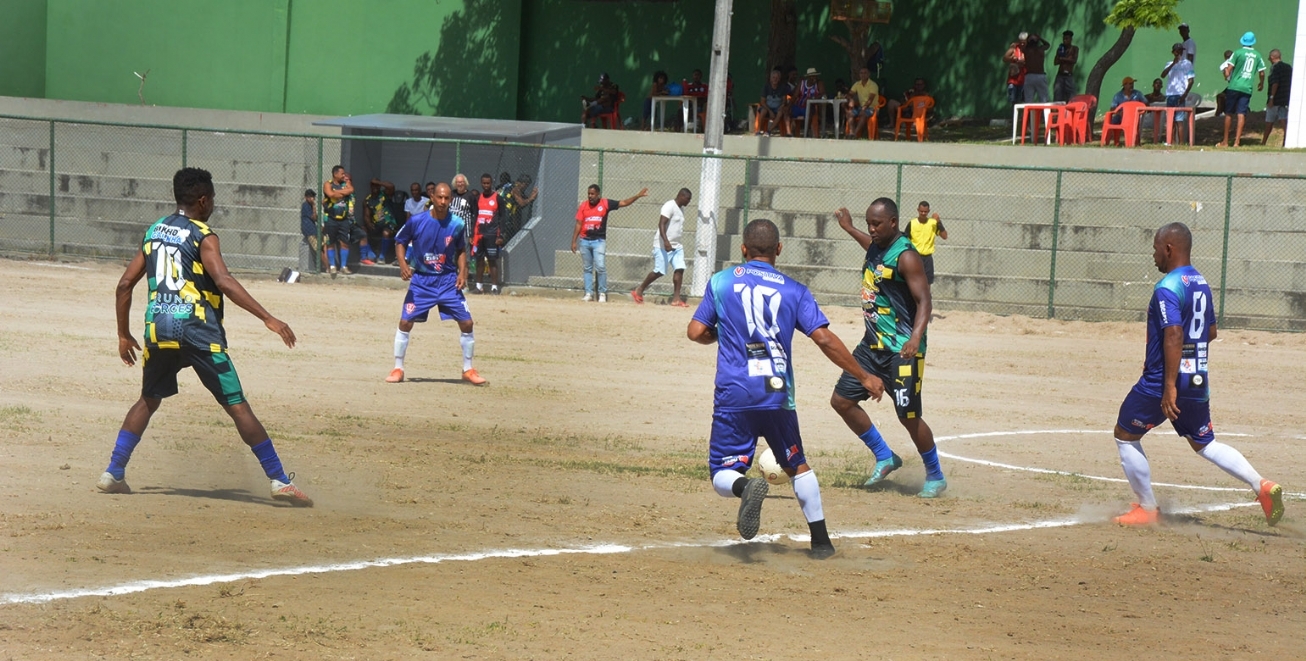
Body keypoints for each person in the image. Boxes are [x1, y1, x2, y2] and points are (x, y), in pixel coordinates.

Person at [97, 167, 312, 506]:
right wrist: (268, 317)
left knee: (149, 399)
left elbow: (125, 284)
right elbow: (223, 281)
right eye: (211, 199)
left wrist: (123, 335)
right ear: (202, 200)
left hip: (159, 329)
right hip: (197, 330)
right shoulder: (203, 235)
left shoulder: (154, 231)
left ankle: (113, 472)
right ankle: (279, 480)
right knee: (236, 404)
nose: (213, 204)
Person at [687, 218, 884, 557]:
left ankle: (746, 486)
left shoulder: (720, 282)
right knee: (797, 466)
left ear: (743, 249)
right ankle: (821, 543)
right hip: (777, 392)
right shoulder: (795, 290)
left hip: (734, 393)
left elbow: (695, 332)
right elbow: (823, 338)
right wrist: (864, 376)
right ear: (778, 250)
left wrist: (723, 334)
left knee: (722, 472)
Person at [1111, 222, 1283, 527]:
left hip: (1162, 381)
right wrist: (1190, 362)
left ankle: (1146, 508)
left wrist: (1168, 386)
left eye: (1155, 248)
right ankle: (1262, 486)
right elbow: (1211, 331)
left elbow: (1174, 334)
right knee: (1205, 443)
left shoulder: (1167, 288)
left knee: (1125, 434)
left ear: (1168, 248)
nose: (1153, 255)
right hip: (1197, 378)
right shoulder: (1200, 282)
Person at [830, 199, 945, 498]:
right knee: (841, 401)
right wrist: (850, 228)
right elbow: (870, 244)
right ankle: (885, 456)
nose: (872, 228)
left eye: (877, 224)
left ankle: (935, 474)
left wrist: (916, 337)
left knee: (907, 415)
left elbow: (925, 301)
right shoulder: (877, 245)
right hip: (872, 345)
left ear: (893, 222)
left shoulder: (907, 256)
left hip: (903, 349)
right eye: (868, 222)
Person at [386, 183, 486, 386]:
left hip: (448, 281)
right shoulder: (416, 221)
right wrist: (403, 264)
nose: (442, 202)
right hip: (422, 281)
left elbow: (461, 250)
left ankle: (467, 370)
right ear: (432, 197)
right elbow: (400, 241)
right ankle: (398, 368)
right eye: (439, 197)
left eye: (446, 198)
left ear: (450, 200)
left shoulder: (456, 223)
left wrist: (462, 272)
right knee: (405, 322)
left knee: (467, 323)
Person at [571, 184, 648, 302]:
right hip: (585, 240)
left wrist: (637, 196)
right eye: (589, 194)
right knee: (587, 268)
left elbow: (623, 203)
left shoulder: (605, 204)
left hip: (599, 241)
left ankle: (602, 293)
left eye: (592, 194)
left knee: (600, 267)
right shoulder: (583, 205)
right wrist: (574, 241)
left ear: (598, 195)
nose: (590, 196)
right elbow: (579, 224)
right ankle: (588, 293)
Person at [632, 188, 692, 307]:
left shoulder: (681, 209)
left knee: (680, 269)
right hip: (662, 245)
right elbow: (661, 223)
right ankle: (639, 289)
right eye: (688, 199)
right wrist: (665, 241)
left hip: (677, 246)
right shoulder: (669, 206)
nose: (689, 201)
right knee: (659, 271)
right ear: (681, 196)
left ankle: (676, 299)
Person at [1218, 32, 1266, 148]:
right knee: (1241, 114)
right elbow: (1262, 72)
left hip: (1234, 86)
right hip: (1247, 87)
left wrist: (1226, 75)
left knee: (1229, 113)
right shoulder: (1257, 55)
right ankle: (1237, 142)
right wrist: (1261, 83)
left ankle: (1225, 141)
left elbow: (1228, 70)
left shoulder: (1237, 53)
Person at [471, 173, 506, 294]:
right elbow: (475, 216)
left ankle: (494, 287)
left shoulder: (497, 198)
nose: (486, 185)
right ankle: (479, 286)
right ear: (481, 183)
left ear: (491, 183)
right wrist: (472, 234)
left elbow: (502, 217)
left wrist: (500, 234)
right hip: (480, 235)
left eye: (488, 183)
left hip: (492, 235)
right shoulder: (478, 198)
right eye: (484, 183)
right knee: (479, 260)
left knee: (492, 260)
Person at [322, 165, 357, 276]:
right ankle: (332, 266)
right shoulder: (328, 183)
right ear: (335, 174)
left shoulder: (346, 183)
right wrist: (343, 192)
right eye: (342, 173)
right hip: (331, 219)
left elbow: (351, 190)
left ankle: (343, 266)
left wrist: (338, 193)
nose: (344, 175)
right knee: (331, 242)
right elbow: (330, 194)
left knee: (345, 243)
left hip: (344, 219)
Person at [907, 201, 947, 285]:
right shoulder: (912, 223)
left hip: (927, 258)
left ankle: (926, 298)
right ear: (918, 210)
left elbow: (944, 236)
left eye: (925, 211)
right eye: (921, 211)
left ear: (929, 211)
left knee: (927, 283)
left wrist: (939, 222)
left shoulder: (933, 223)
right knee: (913, 282)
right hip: (915, 257)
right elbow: (905, 239)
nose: (923, 213)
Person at [363, 178, 397, 265]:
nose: (375, 187)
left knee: (386, 233)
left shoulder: (384, 194)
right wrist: (369, 223)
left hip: (388, 223)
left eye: (377, 186)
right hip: (376, 224)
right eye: (373, 185)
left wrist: (378, 182)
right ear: (370, 187)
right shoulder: (368, 199)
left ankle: (382, 257)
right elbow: (366, 215)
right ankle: (371, 253)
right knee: (362, 230)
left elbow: (391, 186)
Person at [1161, 43, 1195, 128]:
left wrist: (1185, 94)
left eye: (1181, 50)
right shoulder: (1169, 63)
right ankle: (1171, 141)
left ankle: (1180, 141)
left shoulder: (1187, 63)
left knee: (1179, 120)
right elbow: (1163, 75)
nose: (1179, 53)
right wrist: (1173, 63)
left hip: (1180, 94)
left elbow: (1191, 80)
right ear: (1173, 52)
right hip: (1170, 94)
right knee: (1170, 120)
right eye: (1177, 51)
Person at [1263, 49, 1291, 146]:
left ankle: (1263, 142)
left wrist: (1271, 98)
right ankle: (1286, 141)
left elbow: (1275, 83)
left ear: (1272, 57)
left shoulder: (1274, 68)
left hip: (1276, 99)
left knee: (1269, 121)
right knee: (1283, 120)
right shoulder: (1288, 67)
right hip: (1285, 98)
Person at [756, 67, 792, 136]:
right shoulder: (766, 87)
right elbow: (762, 102)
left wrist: (782, 106)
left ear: (779, 79)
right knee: (763, 111)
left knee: (781, 112)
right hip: (767, 107)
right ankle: (759, 130)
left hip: (777, 108)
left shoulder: (782, 87)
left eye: (776, 78)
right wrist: (770, 111)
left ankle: (769, 131)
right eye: (773, 77)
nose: (775, 79)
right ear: (770, 79)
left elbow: (784, 101)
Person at [790, 68, 825, 136]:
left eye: (815, 76)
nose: (814, 78)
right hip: (799, 106)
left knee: (810, 110)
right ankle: (790, 132)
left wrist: (812, 98)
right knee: (787, 111)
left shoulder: (819, 83)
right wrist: (788, 106)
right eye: (812, 76)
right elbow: (795, 96)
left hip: (809, 107)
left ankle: (806, 131)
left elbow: (823, 94)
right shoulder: (802, 83)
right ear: (808, 77)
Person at [502, 174, 538, 241]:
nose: (526, 188)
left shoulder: (508, 186)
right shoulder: (516, 189)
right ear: (523, 184)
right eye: (526, 185)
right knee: (508, 239)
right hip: (507, 219)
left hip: (501, 216)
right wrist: (531, 198)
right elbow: (521, 203)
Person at [846, 67, 879, 139]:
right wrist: (851, 99)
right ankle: (851, 132)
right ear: (859, 75)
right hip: (861, 107)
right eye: (861, 73)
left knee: (863, 113)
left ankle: (855, 134)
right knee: (849, 113)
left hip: (872, 108)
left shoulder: (873, 85)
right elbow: (850, 94)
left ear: (869, 74)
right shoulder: (857, 84)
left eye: (865, 73)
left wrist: (864, 108)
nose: (863, 75)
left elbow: (870, 99)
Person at [1053, 30, 1079, 102]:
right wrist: (1060, 55)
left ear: (1070, 39)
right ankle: (1057, 112)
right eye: (1064, 39)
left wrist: (1063, 59)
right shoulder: (1061, 49)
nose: (1065, 40)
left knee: (1072, 96)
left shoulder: (1074, 49)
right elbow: (1055, 62)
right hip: (1060, 75)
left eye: (1067, 39)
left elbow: (1074, 60)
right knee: (1058, 96)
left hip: (1069, 76)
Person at [1004, 34, 1027, 108]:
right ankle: (1014, 118)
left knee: (1023, 101)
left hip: (1024, 80)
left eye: (1024, 42)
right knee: (1013, 101)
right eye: (1021, 42)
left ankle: (1022, 118)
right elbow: (1005, 58)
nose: (1022, 44)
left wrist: (1023, 61)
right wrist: (1014, 59)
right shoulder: (1014, 47)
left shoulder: (1029, 49)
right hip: (1013, 80)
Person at [299, 189, 319, 273]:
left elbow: (316, 218)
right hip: (309, 230)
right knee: (317, 248)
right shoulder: (306, 205)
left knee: (318, 247)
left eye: (313, 197)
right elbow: (314, 217)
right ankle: (321, 267)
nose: (312, 199)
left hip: (312, 229)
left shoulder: (309, 205)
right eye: (310, 197)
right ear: (306, 197)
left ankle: (315, 266)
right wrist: (314, 206)